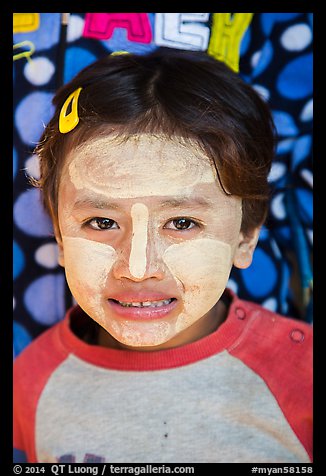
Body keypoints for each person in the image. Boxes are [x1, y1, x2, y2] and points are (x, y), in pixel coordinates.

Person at [13, 48, 312, 464]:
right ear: (60, 237)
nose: (138, 269)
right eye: (101, 222)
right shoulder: (30, 379)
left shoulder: (304, 374)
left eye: (183, 223)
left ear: (246, 236)